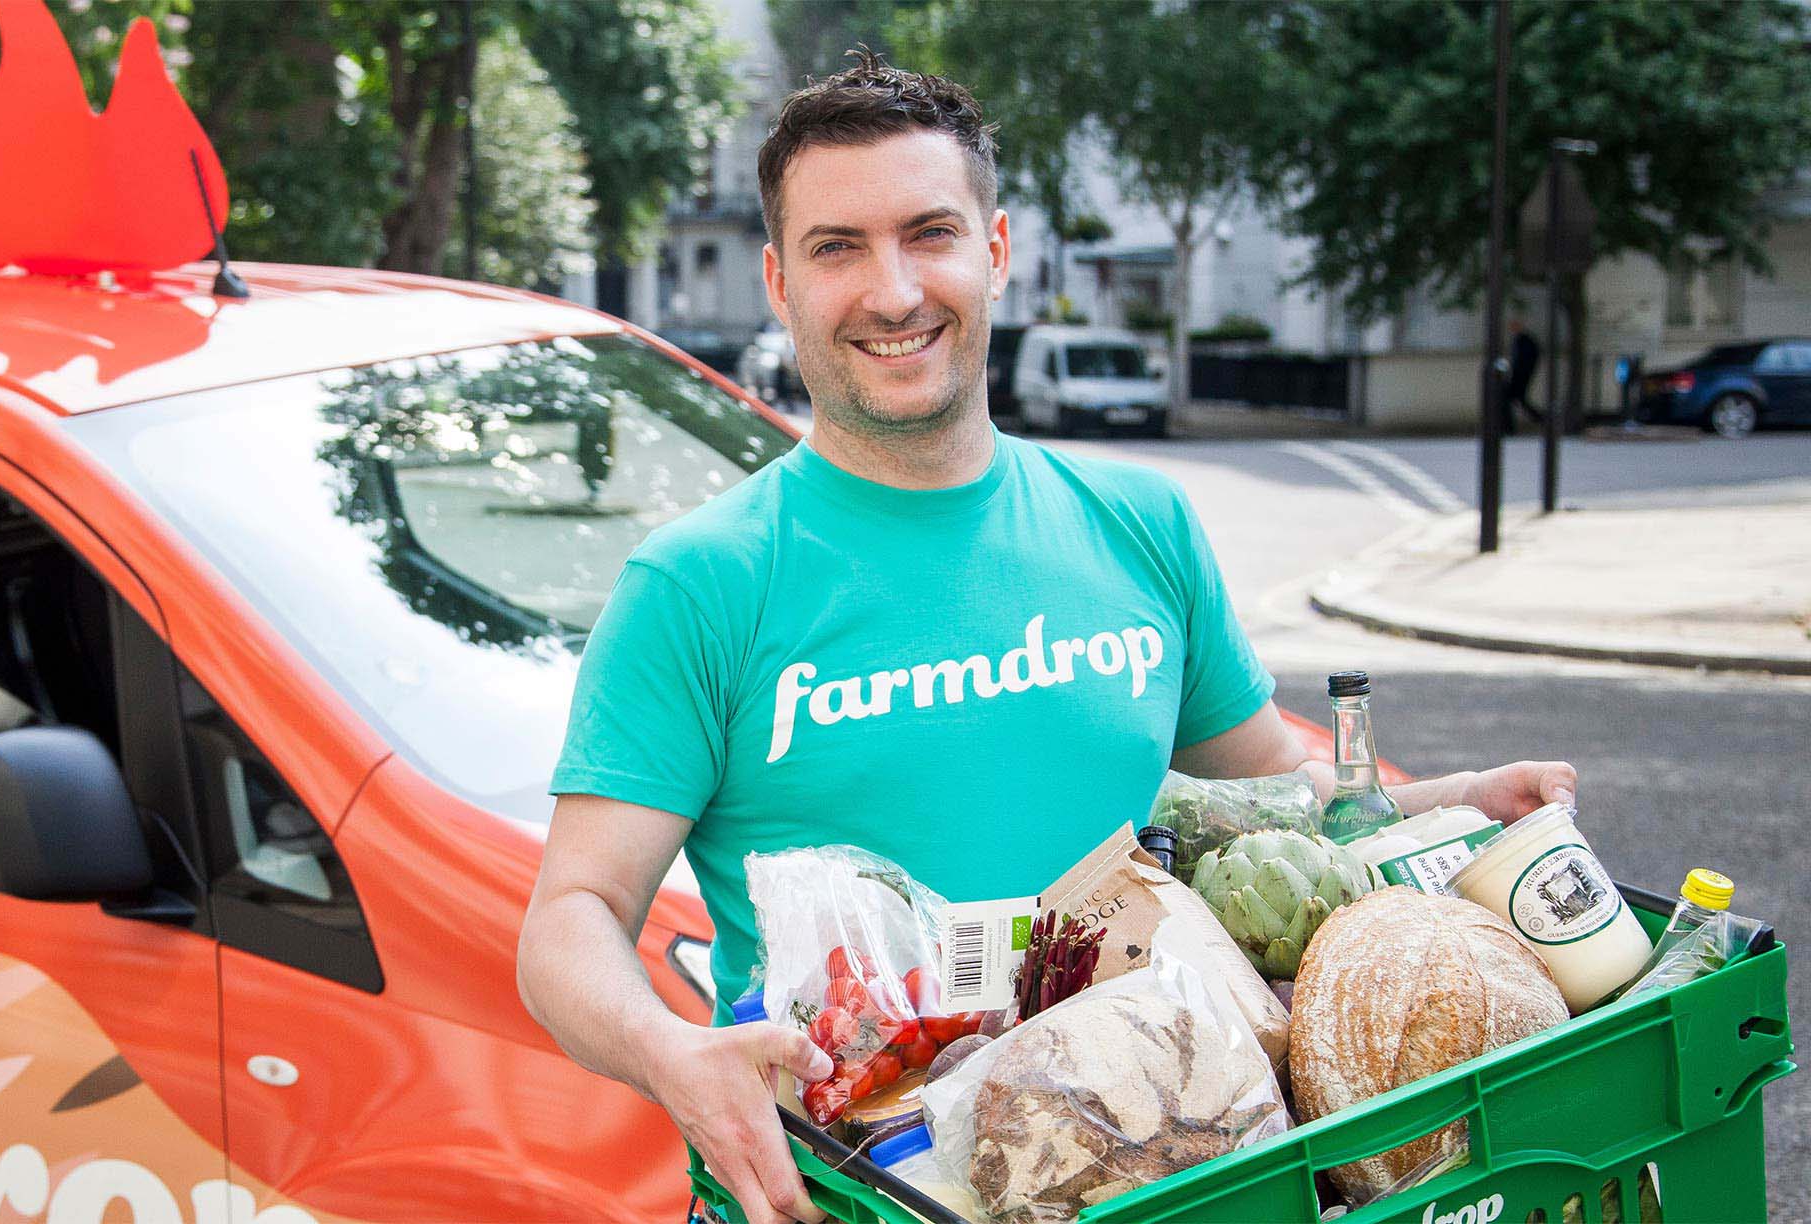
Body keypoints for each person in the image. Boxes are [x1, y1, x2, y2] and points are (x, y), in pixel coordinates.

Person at [516, 54, 1576, 1224]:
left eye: (929, 233)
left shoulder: (1139, 523)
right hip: (866, 1175)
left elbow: (1275, 780)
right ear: (778, 280)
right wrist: (669, 1054)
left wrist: (1451, 802)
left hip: (1163, 1162)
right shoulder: (702, 583)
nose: (892, 289)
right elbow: (572, 921)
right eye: (837, 248)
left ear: (996, 251)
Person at [1503, 315, 1543, 434]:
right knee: (1518, 399)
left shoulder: (1524, 340)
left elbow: (1524, 359)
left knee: (1513, 398)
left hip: (1521, 375)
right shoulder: (1520, 340)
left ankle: (1509, 427)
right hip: (1520, 374)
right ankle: (1539, 418)